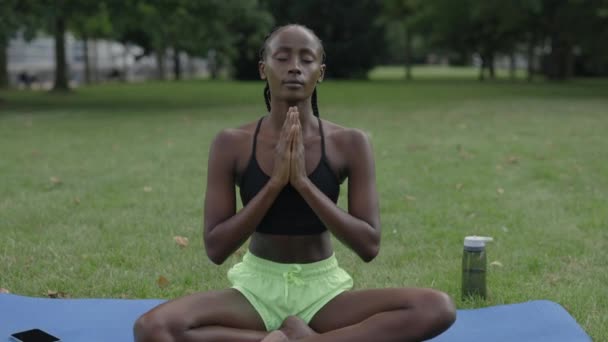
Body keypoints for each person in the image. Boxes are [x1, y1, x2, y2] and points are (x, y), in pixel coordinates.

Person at [133, 24, 456, 342]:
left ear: (321, 72)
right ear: (263, 69)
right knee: (153, 328)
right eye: (283, 58)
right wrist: (275, 183)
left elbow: (368, 245)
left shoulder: (350, 142)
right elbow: (217, 248)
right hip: (255, 291)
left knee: (435, 307)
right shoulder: (231, 143)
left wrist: (302, 182)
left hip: (324, 293)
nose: (295, 68)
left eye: (306, 59)